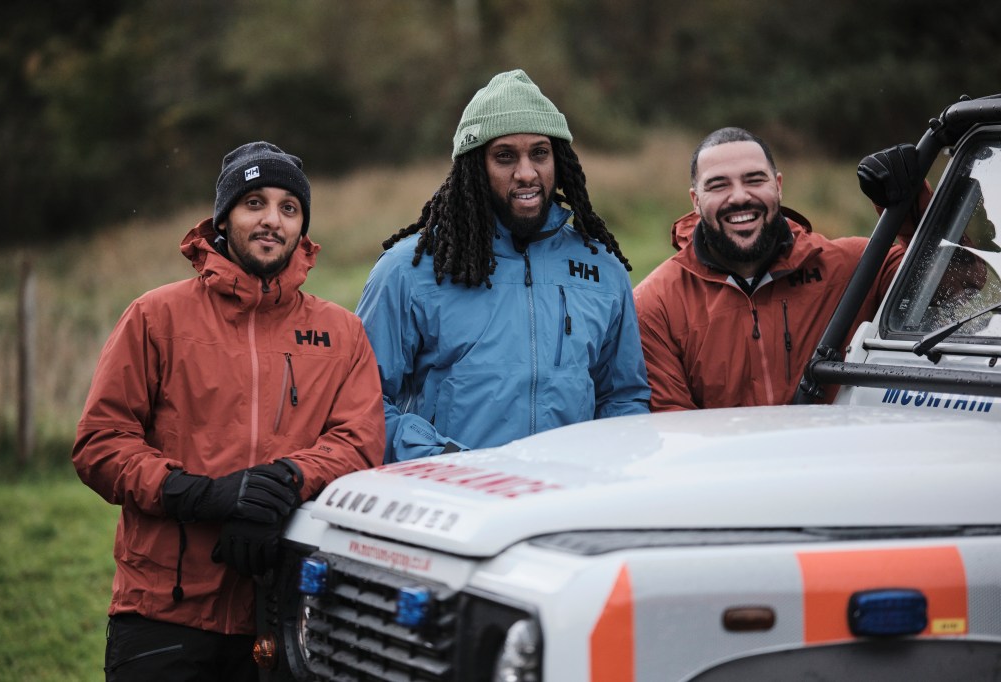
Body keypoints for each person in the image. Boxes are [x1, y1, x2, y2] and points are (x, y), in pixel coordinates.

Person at [72, 141, 385, 681]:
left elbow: (359, 441)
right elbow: (101, 443)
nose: (272, 220)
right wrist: (198, 494)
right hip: (163, 611)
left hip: (286, 611)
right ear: (223, 218)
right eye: (254, 203)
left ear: (302, 227)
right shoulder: (155, 316)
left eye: (289, 208)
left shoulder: (341, 332)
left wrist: (285, 479)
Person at [355, 69, 650, 463]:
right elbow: (361, 399)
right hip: (452, 499)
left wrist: (603, 468)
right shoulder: (407, 270)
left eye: (539, 153)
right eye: (505, 156)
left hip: (570, 501)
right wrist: (443, 458)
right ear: (476, 166)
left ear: (558, 160)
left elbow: (623, 396)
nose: (526, 172)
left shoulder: (603, 270)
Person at [634, 127, 927, 411]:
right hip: (726, 463)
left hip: (840, 458)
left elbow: (958, 284)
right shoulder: (654, 303)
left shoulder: (857, 265)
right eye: (718, 185)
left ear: (778, 186)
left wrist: (912, 210)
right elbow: (672, 428)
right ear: (696, 201)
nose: (739, 197)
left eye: (754, 180)